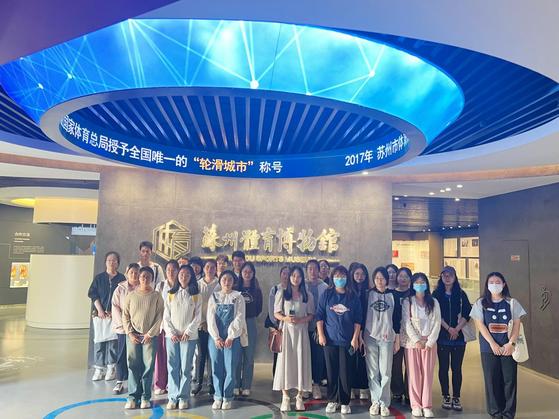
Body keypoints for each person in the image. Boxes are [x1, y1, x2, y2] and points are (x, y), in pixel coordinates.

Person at [470, 272, 526, 419]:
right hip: (489, 349)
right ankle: (495, 413)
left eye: (497, 282)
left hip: (508, 348)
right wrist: (493, 344)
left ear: (504, 284)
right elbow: (480, 325)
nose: (494, 285)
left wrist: (511, 344)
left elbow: (517, 325)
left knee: (509, 381)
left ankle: (508, 413)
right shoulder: (480, 303)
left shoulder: (512, 303)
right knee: (491, 381)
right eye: (491, 282)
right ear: (487, 285)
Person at [316, 265, 362, 415]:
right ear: (332, 278)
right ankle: (332, 400)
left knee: (345, 372)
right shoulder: (327, 294)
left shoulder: (353, 296)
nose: (339, 279)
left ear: (347, 278)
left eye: (342, 276)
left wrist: (355, 338)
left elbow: (358, 320)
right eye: (337, 276)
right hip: (329, 340)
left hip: (347, 341)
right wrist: (321, 335)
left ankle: (345, 402)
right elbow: (319, 316)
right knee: (331, 371)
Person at [273, 266, 315, 412]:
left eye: (298, 276)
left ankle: (299, 396)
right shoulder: (282, 293)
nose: (296, 279)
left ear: (302, 278)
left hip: (301, 332)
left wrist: (301, 320)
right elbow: (276, 313)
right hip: (286, 332)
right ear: (289, 277)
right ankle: (285, 396)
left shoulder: (307, 295)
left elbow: (311, 315)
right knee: (285, 362)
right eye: (293, 276)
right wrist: (286, 318)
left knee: (301, 362)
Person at [122, 266, 164, 409]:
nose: (145, 279)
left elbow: (159, 316)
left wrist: (150, 334)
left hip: (149, 337)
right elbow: (125, 315)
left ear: (152, 279)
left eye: (148, 277)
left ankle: (145, 397)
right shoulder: (131, 295)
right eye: (142, 276)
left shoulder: (156, 296)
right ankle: (133, 397)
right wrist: (130, 333)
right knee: (133, 366)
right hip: (133, 336)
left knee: (148, 367)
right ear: (138, 278)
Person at [401, 272, 441, 418]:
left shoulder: (434, 302)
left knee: (427, 375)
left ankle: (426, 405)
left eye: (422, 282)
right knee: (414, 375)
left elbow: (437, 322)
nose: (419, 284)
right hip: (413, 344)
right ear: (412, 285)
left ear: (426, 284)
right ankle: (416, 405)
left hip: (429, 343)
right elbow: (406, 322)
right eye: (417, 282)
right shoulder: (408, 302)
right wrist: (417, 340)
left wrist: (429, 342)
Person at [432, 266, 472, 412]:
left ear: (455, 277)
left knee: (456, 368)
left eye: (450, 275)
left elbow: (467, 313)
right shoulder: (436, 294)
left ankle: (456, 397)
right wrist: (449, 329)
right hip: (442, 336)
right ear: (441, 277)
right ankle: (445, 396)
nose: (447, 278)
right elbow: (435, 314)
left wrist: (457, 329)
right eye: (445, 275)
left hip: (459, 338)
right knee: (443, 368)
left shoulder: (461, 294)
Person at [364, 266, 401, 417]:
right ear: (374, 280)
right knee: (372, 371)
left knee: (385, 371)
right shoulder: (368, 295)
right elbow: (362, 315)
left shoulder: (393, 295)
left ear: (387, 279)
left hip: (387, 337)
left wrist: (397, 338)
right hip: (370, 336)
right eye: (377, 278)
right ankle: (375, 401)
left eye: (382, 278)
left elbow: (397, 318)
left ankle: (384, 402)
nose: (380, 281)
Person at [164, 265, 202, 410]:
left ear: (191, 277)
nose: (183, 277)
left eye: (187, 275)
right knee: (173, 367)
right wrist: (172, 332)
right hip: (172, 337)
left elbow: (198, 317)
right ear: (177, 276)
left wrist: (188, 332)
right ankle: (173, 397)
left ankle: (183, 397)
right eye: (181, 274)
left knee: (186, 368)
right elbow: (166, 316)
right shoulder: (170, 294)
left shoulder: (196, 295)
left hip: (188, 337)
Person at [207, 270, 247, 410]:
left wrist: (231, 336)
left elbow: (240, 317)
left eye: (230, 279)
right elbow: (210, 318)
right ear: (220, 281)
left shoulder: (238, 297)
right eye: (224, 279)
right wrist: (216, 337)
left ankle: (227, 397)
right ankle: (218, 396)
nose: (227, 282)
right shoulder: (214, 297)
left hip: (233, 338)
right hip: (215, 337)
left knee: (230, 367)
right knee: (216, 366)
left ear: (234, 281)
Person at [88, 251, 126, 381]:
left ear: (118, 263)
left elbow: (124, 297)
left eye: (114, 260)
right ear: (105, 262)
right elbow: (93, 294)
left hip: (115, 316)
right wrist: (100, 310)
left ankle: (111, 368)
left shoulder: (122, 278)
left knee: (113, 342)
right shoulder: (99, 278)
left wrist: (114, 312)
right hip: (99, 315)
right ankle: (99, 369)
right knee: (99, 341)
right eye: (109, 260)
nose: (111, 262)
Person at [234, 261, 263, 396]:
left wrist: (249, 316)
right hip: (237, 323)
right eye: (245, 271)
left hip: (250, 322)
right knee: (237, 355)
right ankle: (235, 384)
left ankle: (246, 385)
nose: (247, 274)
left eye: (250, 272)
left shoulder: (256, 290)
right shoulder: (235, 288)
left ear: (253, 274)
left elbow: (259, 309)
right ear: (241, 273)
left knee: (249, 356)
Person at [111, 262, 140, 394]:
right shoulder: (120, 289)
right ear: (126, 274)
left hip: (138, 328)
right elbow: (115, 307)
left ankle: (136, 380)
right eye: (131, 272)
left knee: (136, 356)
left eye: (136, 272)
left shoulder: (143, 287)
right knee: (122, 354)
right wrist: (124, 326)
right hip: (123, 329)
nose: (134, 275)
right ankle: (119, 381)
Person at [192, 259, 220, 396]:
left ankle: (211, 383)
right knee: (201, 354)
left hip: (215, 326)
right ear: (203, 269)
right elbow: (194, 306)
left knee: (212, 355)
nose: (210, 269)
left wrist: (210, 323)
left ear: (216, 269)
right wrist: (202, 322)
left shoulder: (219, 284)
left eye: (212, 267)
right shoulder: (197, 284)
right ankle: (198, 383)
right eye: (207, 267)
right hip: (200, 325)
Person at [152, 260, 179, 395]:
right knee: (160, 356)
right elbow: (156, 305)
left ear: (178, 271)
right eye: (168, 269)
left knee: (173, 358)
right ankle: (159, 384)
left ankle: (171, 383)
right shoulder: (161, 286)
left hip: (177, 328)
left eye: (174, 270)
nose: (171, 272)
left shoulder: (181, 286)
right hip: (162, 326)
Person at [306, 259, 329, 399]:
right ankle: (305, 385)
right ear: (306, 271)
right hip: (303, 327)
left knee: (318, 357)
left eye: (315, 268)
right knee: (304, 357)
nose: (313, 271)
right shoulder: (302, 286)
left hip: (319, 328)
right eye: (310, 269)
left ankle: (316, 385)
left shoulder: (325, 287)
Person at [391, 266, 412, 404]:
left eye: (406, 276)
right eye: (401, 276)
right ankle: (397, 391)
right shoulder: (392, 294)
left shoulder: (413, 294)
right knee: (396, 365)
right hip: (395, 333)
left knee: (411, 365)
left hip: (411, 335)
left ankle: (410, 392)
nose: (403, 279)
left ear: (410, 278)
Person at [349, 263, 370, 400]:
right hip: (350, 330)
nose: (360, 277)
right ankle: (351, 387)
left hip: (365, 330)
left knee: (362, 359)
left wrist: (362, 332)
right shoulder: (348, 291)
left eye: (362, 274)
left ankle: (363, 387)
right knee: (350, 359)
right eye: (357, 274)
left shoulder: (369, 292)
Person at [265, 266, 289, 376]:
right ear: (280, 275)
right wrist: (276, 323)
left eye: (288, 274)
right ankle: (276, 376)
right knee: (277, 351)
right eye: (284, 273)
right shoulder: (275, 289)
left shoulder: (295, 289)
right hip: (278, 326)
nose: (286, 276)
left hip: (290, 326)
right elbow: (271, 309)